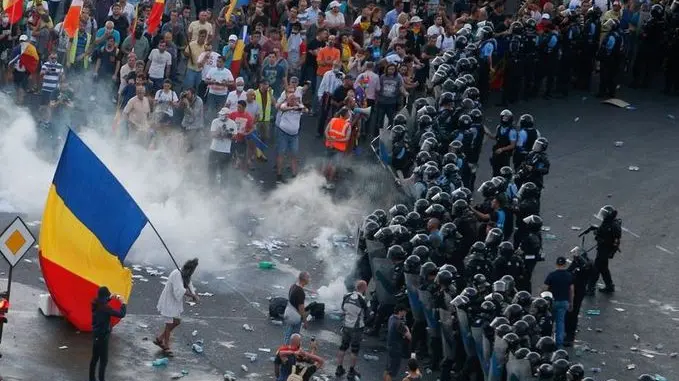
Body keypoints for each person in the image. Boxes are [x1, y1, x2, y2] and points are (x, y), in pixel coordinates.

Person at [154, 259, 199, 355]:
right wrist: (192, 296)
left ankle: (160, 339)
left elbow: (189, 285)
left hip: (175, 302)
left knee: (176, 322)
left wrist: (194, 294)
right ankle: (166, 346)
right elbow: (179, 290)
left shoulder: (185, 276)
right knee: (169, 323)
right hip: (169, 301)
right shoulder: (177, 274)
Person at [89, 286, 126, 381]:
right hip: (103, 337)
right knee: (103, 361)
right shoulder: (106, 308)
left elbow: (102, 302)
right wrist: (123, 303)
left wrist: (110, 297)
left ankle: (91, 378)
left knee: (94, 359)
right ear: (105, 297)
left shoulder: (95, 303)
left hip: (96, 335)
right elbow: (121, 314)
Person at [335, 280, 368, 379]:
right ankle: (351, 371)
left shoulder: (347, 296)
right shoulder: (362, 299)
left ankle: (339, 368)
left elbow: (343, 308)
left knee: (343, 347)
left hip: (346, 326)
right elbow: (367, 314)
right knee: (354, 350)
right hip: (356, 328)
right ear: (364, 288)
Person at [587, 205, 621, 295]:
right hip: (605, 250)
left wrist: (597, 234)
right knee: (604, 268)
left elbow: (608, 237)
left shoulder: (610, 224)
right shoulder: (611, 223)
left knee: (596, 269)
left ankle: (590, 288)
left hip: (604, 250)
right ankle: (609, 286)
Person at [543, 256, 574, 349]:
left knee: (549, 322)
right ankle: (559, 343)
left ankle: (548, 340)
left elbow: (545, 288)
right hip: (564, 302)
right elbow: (571, 290)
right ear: (565, 264)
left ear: (556, 264)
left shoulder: (551, 275)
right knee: (560, 322)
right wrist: (571, 302)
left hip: (552, 302)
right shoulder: (569, 275)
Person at [276, 93, 307, 183]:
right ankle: (279, 175)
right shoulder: (284, 105)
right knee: (281, 153)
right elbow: (282, 108)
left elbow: (306, 110)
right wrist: (293, 108)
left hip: (294, 135)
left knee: (294, 154)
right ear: (288, 100)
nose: (293, 100)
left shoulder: (299, 106)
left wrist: (300, 106)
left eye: (295, 99)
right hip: (283, 134)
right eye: (291, 99)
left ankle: (294, 175)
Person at [564, 246, 591, 346]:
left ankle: (570, 335)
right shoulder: (577, 264)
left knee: (573, 313)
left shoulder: (585, 268)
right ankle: (567, 331)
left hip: (577, 292)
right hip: (572, 291)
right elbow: (568, 271)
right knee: (569, 313)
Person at [208, 107, 238, 186]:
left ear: (228, 115)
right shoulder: (215, 121)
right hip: (214, 149)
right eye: (221, 114)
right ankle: (210, 186)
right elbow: (212, 134)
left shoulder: (232, 123)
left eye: (224, 115)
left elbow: (235, 136)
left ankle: (223, 189)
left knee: (224, 171)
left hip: (225, 151)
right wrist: (219, 133)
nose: (222, 116)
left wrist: (227, 134)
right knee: (211, 169)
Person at [384, 304, 411, 381]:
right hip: (396, 349)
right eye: (404, 312)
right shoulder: (399, 324)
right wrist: (407, 328)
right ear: (400, 312)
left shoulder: (391, 318)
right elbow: (409, 336)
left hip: (390, 346)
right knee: (391, 372)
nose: (405, 313)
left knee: (387, 369)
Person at [284, 272, 310, 344]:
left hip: (289, 312)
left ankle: (285, 348)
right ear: (304, 279)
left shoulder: (293, 286)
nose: (309, 280)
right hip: (295, 316)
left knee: (288, 333)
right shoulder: (300, 291)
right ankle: (291, 351)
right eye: (308, 278)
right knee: (295, 335)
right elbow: (301, 308)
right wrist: (305, 321)